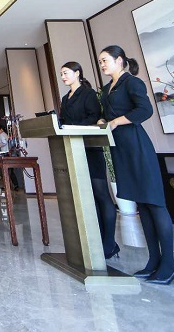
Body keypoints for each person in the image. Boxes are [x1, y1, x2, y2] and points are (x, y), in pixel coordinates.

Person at [98, 44, 174, 285]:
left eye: (105, 60)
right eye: (100, 61)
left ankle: (169, 265)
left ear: (119, 60)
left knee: (154, 203)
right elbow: (109, 115)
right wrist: (104, 120)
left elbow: (145, 110)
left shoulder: (131, 82)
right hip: (120, 149)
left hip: (137, 146)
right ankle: (154, 260)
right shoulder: (107, 88)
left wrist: (116, 121)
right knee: (142, 205)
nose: (102, 64)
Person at [59, 61, 118, 260]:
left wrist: (74, 128)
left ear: (77, 73)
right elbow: (63, 120)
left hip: (91, 147)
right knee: (88, 196)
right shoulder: (65, 98)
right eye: (61, 74)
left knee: (101, 193)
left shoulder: (88, 94)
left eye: (66, 73)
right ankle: (96, 240)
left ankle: (110, 243)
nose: (63, 77)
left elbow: (94, 117)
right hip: (74, 149)